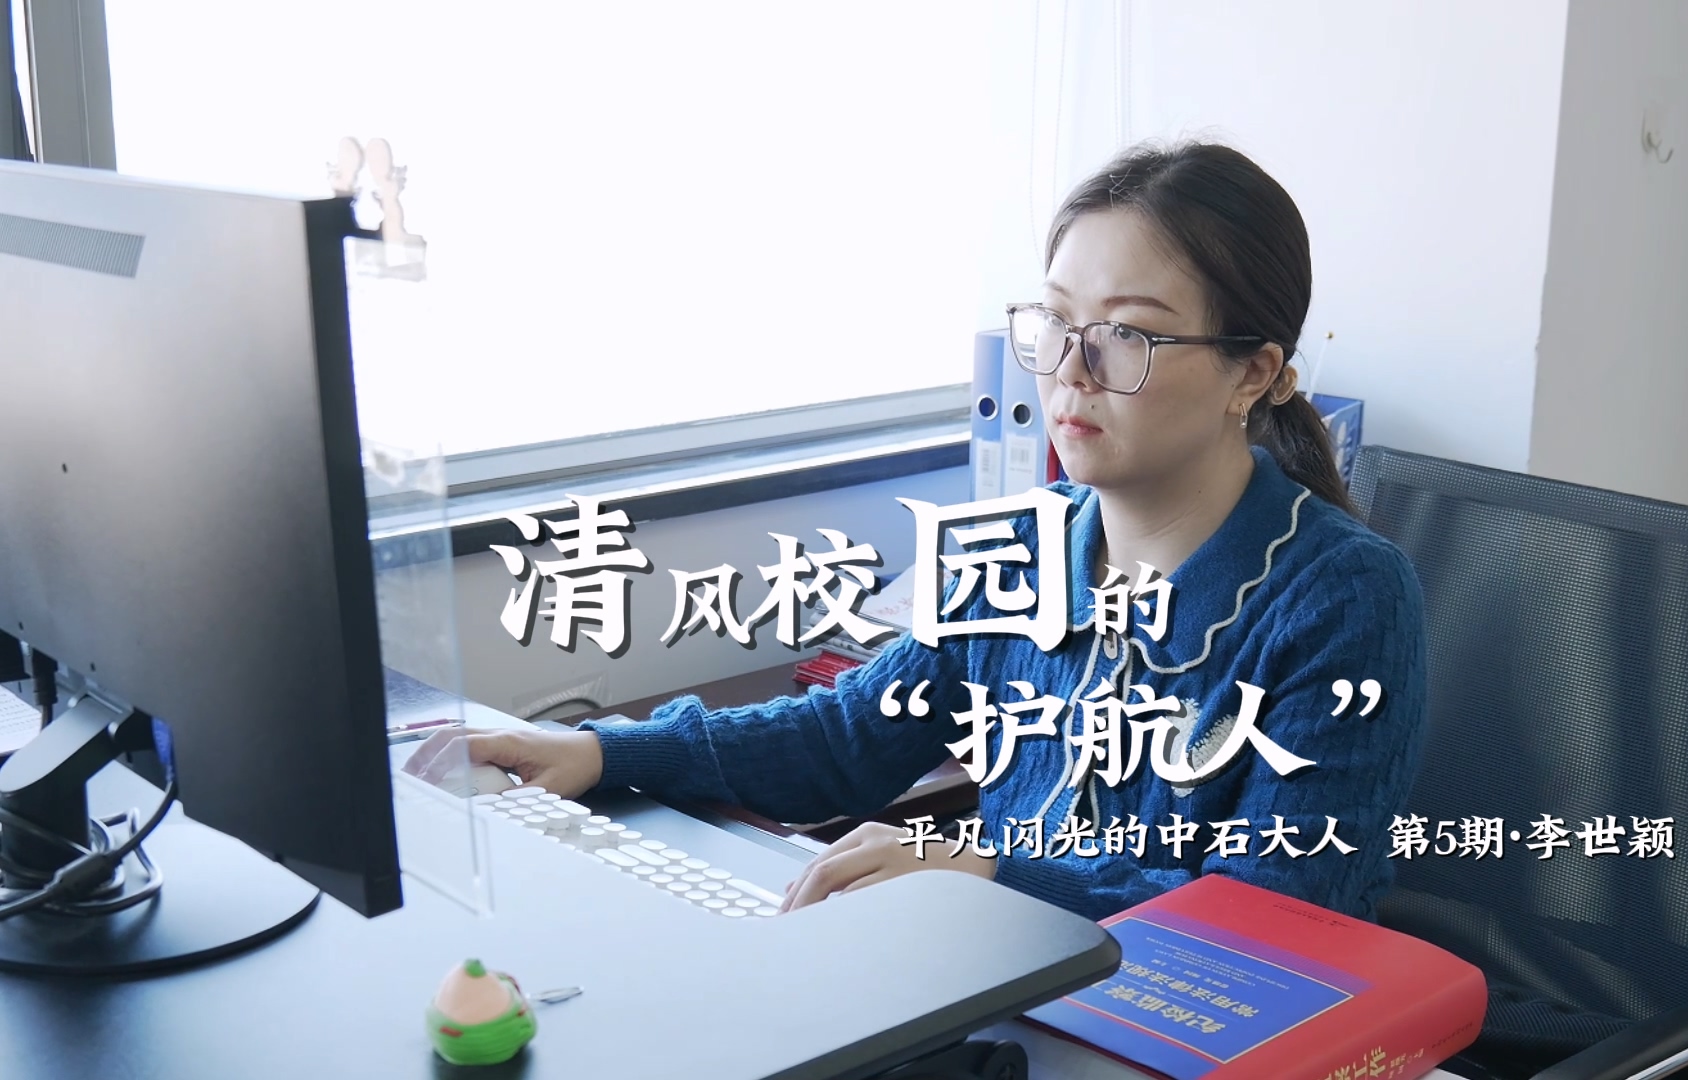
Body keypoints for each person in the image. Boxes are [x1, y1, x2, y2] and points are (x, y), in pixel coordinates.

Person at [413, 140, 1427, 922]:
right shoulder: (1017, 550)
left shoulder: (1342, 597)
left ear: (1254, 372)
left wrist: (980, 867)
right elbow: (845, 739)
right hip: (1016, 983)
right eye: (1056, 322)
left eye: (1126, 334)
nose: (1069, 372)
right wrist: (598, 750)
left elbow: (1279, 912)